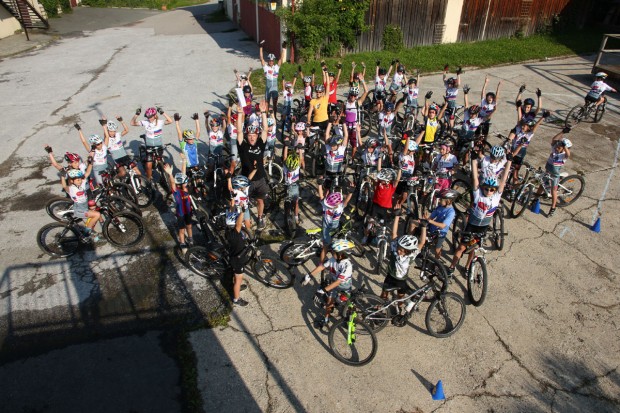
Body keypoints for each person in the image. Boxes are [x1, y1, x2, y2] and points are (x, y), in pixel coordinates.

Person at [448, 154, 512, 276]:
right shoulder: (478, 194)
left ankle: (467, 267)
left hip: (482, 227)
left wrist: (509, 162)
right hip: (472, 226)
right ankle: (452, 267)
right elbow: (475, 178)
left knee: (474, 249)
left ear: (495, 190)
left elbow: (503, 180)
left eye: (492, 190)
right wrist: (473, 160)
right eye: (486, 189)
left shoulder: (496, 197)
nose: (489, 191)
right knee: (461, 248)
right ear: (482, 188)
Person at [302, 239, 356, 329]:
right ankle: (326, 318)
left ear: (340, 253)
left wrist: (322, 291)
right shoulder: (333, 259)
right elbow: (322, 266)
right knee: (329, 302)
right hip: (333, 285)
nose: (331, 253)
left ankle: (351, 319)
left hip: (344, 287)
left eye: (333, 252)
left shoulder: (347, 265)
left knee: (348, 303)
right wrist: (309, 275)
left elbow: (338, 281)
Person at [235, 100, 270, 230]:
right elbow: (239, 132)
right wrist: (240, 114)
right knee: (245, 204)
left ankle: (260, 217)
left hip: (260, 179)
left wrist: (264, 113)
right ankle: (246, 223)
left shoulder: (260, 144)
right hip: (246, 181)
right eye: (249, 135)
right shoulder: (243, 146)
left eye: (253, 135)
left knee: (260, 201)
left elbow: (265, 129)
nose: (251, 138)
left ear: (257, 135)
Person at [380, 217, 426, 308]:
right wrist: (397, 216)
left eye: (401, 250)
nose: (398, 251)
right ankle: (379, 308)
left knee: (400, 299)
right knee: (383, 296)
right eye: (398, 249)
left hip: (401, 281)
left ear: (408, 251)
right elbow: (394, 233)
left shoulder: (410, 256)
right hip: (390, 276)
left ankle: (399, 309)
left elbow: (421, 243)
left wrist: (424, 227)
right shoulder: (394, 250)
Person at [534, 128, 573, 217]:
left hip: (554, 175)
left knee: (553, 190)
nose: (557, 147)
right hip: (548, 171)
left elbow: (568, 154)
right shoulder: (555, 150)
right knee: (542, 184)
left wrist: (565, 146)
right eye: (557, 145)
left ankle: (553, 207)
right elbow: (553, 139)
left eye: (560, 146)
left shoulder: (563, 155)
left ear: (564, 148)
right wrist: (562, 132)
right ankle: (536, 198)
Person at [131, 106, 173, 180]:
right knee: (149, 165)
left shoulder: (160, 122)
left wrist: (162, 113)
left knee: (161, 161)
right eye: (148, 117)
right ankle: (149, 179)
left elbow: (170, 121)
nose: (149, 118)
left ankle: (164, 174)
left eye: (150, 116)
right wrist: (136, 114)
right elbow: (132, 123)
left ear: (154, 115)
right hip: (149, 147)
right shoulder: (145, 122)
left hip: (158, 146)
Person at [361, 168, 401, 244]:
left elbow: (397, 180)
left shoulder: (391, 187)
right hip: (375, 206)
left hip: (385, 208)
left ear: (387, 180)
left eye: (382, 179)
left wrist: (400, 169)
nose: (380, 179)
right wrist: (380, 157)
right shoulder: (379, 183)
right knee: (370, 223)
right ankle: (365, 236)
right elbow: (379, 170)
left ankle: (379, 237)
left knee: (383, 225)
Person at [62, 166, 101, 241]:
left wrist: (90, 163)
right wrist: (63, 176)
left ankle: (89, 231)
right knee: (97, 214)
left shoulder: (81, 185)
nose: (80, 181)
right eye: (77, 180)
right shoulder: (71, 189)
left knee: (94, 210)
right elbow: (64, 186)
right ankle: (87, 232)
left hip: (84, 206)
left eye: (80, 179)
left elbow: (87, 173)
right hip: (80, 210)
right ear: (72, 181)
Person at [508, 112, 547, 183]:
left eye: (525, 126)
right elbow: (519, 120)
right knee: (508, 167)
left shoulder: (529, 134)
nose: (523, 126)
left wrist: (543, 117)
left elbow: (536, 126)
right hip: (513, 149)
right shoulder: (518, 129)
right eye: (523, 125)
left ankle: (514, 190)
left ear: (529, 128)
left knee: (515, 173)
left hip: (520, 153)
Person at [164, 162, 193, 253]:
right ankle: (182, 243)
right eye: (185, 183)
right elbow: (172, 183)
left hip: (188, 212)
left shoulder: (186, 189)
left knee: (189, 226)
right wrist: (170, 174)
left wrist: (184, 161)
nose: (187, 184)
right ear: (180, 184)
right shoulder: (177, 192)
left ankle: (190, 238)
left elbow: (183, 173)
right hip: (180, 214)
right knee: (181, 230)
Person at [420, 189, 457, 260]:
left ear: (448, 201)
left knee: (437, 249)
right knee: (425, 242)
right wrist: (427, 218)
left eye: (441, 199)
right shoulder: (439, 207)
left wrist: (430, 221)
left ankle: (436, 263)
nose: (439, 201)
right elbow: (431, 217)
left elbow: (443, 226)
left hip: (441, 233)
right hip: (432, 228)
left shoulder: (451, 212)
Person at [225, 208, 250, 307]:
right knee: (238, 279)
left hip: (236, 256)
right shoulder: (235, 233)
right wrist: (243, 212)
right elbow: (239, 224)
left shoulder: (230, 232)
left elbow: (237, 223)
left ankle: (237, 286)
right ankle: (236, 299)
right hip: (237, 260)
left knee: (238, 278)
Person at [343, 77, 369, 161]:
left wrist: (362, 80)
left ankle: (352, 158)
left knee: (354, 144)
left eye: (355, 95)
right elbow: (342, 114)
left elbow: (366, 92)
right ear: (349, 95)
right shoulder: (345, 103)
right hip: (346, 126)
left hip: (354, 127)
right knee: (345, 143)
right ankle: (343, 157)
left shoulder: (358, 103)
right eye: (351, 95)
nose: (353, 97)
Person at [259, 40, 287, 111]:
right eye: (269, 60)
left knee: (275, 104)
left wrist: (284, 48)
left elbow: (281, 58)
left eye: (272, 60)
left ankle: (274, 117)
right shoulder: (266, 68)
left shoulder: (276, 67)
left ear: (273, 61)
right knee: (267, 103)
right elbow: (261, 58)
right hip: (268, 89)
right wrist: (261, 47)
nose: (271, 62)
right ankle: (267, 116)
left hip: (275, 88)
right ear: (268, 60)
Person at [307, 68, 331, 132]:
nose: (318, 93)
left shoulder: (325, 98)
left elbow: (328, 85)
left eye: (320, 92)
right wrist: (308, 121)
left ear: (323, 92)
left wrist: (326, 73)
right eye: (317, 92)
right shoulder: (313, 101)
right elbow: (309, 113)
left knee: (326, 137)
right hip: (316, 121)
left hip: (325, 120)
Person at [282, 149, 302, 224]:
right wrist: (286, 147)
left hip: (295, 186)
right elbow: (284, 157)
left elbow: (300, 159)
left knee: (296, 202)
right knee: (287, 202)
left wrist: (300, 150)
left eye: (292, 169)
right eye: (290, 168)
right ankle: (287, 215)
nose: (291, 170)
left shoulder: (297, 167)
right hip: (287, 186)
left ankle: (296, 217)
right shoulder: (285, 166)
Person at [442, 65, 462, 130]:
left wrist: (458, 74)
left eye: (450, 84)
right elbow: (444, 79)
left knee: (451, 120)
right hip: (447, 105)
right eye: (448, 84)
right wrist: (444, 71)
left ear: (453, 84)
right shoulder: (448, 87)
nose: (449, 85)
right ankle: (445, 131)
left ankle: (451, 132)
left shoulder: (455, 89)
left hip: (452, 106)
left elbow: (458, 84)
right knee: (445, 119)